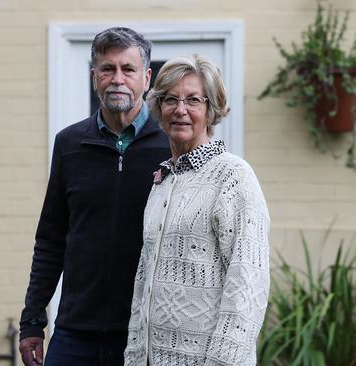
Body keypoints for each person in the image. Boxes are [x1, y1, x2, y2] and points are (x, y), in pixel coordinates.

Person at [18, 27, 170, 366]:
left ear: (146, 78)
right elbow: (50, 239)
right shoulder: (70, 144)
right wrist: (31, 321)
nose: (117, 79)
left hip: (146, 334)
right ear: (94, 76)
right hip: (75, 333)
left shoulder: (170, 146)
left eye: (128, 69)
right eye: (107, 69)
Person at [123, 54, 270, 365]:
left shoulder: (233, 177)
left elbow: (248, 283)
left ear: (211, 109)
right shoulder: (162, 181)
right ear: (159, 109)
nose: (180, 110)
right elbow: (143, 281)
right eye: (171, 100)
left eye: (193, 100)